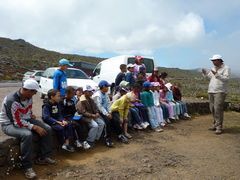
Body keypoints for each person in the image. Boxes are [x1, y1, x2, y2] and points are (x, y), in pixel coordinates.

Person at [0, 79, 55, 179]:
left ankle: (43, 157)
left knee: (47, 128)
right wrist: (34, 127)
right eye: (33, 92)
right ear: (26, 90)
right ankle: (27, 167)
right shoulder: (11, 100)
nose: (34, 94)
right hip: (8, 124)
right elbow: (16, 122)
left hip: (25, 119)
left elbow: (28, 110)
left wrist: (30, 115)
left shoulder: (28, 97)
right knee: (27, 134)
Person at [202, 54, 230, 135]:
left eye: (214, 60)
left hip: (220, 91)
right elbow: (210, 77)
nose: (213, 62)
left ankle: (219, 127)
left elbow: (226, 79)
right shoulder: (213, 68)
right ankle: (215, 124)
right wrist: (205, 73)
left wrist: (216, 74)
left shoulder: (226, 68)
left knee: (218, 108)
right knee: (212, 108)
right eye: (212, 61)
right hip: (211, 90)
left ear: (219, 60)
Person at [92, 80, 116, 147]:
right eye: (107, 86)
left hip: (105, 111)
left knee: (114, 119)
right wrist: (107, 114)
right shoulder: (97, 95)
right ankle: (107, 139)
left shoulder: (105, 94)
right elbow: (99, 107)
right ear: (102, 87)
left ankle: (116, 135)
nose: (108, 88)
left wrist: (109, 112)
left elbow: (108, 104)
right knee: (107, 122)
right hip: (98, 112)